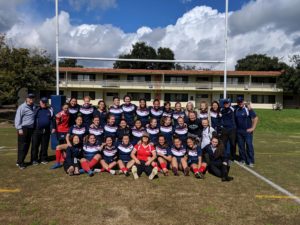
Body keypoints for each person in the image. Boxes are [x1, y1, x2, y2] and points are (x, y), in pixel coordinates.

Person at [14, 93, 37, 169]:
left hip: (30, 129)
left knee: (27, 146)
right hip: (23, 128)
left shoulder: (33, 106)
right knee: (22, 146)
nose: (31, 99)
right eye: (30, 98)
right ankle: (21, 163)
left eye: (32, 98)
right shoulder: (22, 107)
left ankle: (19, 161)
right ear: (26, 99)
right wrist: (19, 128)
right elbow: (17, 118)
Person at [235, 97, 258, 167]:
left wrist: (253, 128)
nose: (240, 103)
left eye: (241, 102)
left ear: (243, 102)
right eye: (239, 102)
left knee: (249, 145)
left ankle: (250, 161)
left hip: (247, 131)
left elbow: (255, 118)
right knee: (241, 146)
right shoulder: (236, 109)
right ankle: (243, 159)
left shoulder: (248, 109)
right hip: (239, 131)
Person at [31, 97, 55, 165]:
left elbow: (53, 119)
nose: (44, 104)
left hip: (46, 130)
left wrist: (53, 127)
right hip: (36, 130)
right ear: (40, 102)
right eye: (43, 102)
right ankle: (34, 160)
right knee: (35, 145)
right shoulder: (36, 109)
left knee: (44, 145)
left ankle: (43, 158)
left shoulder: (50, 109)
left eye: (45, 102)